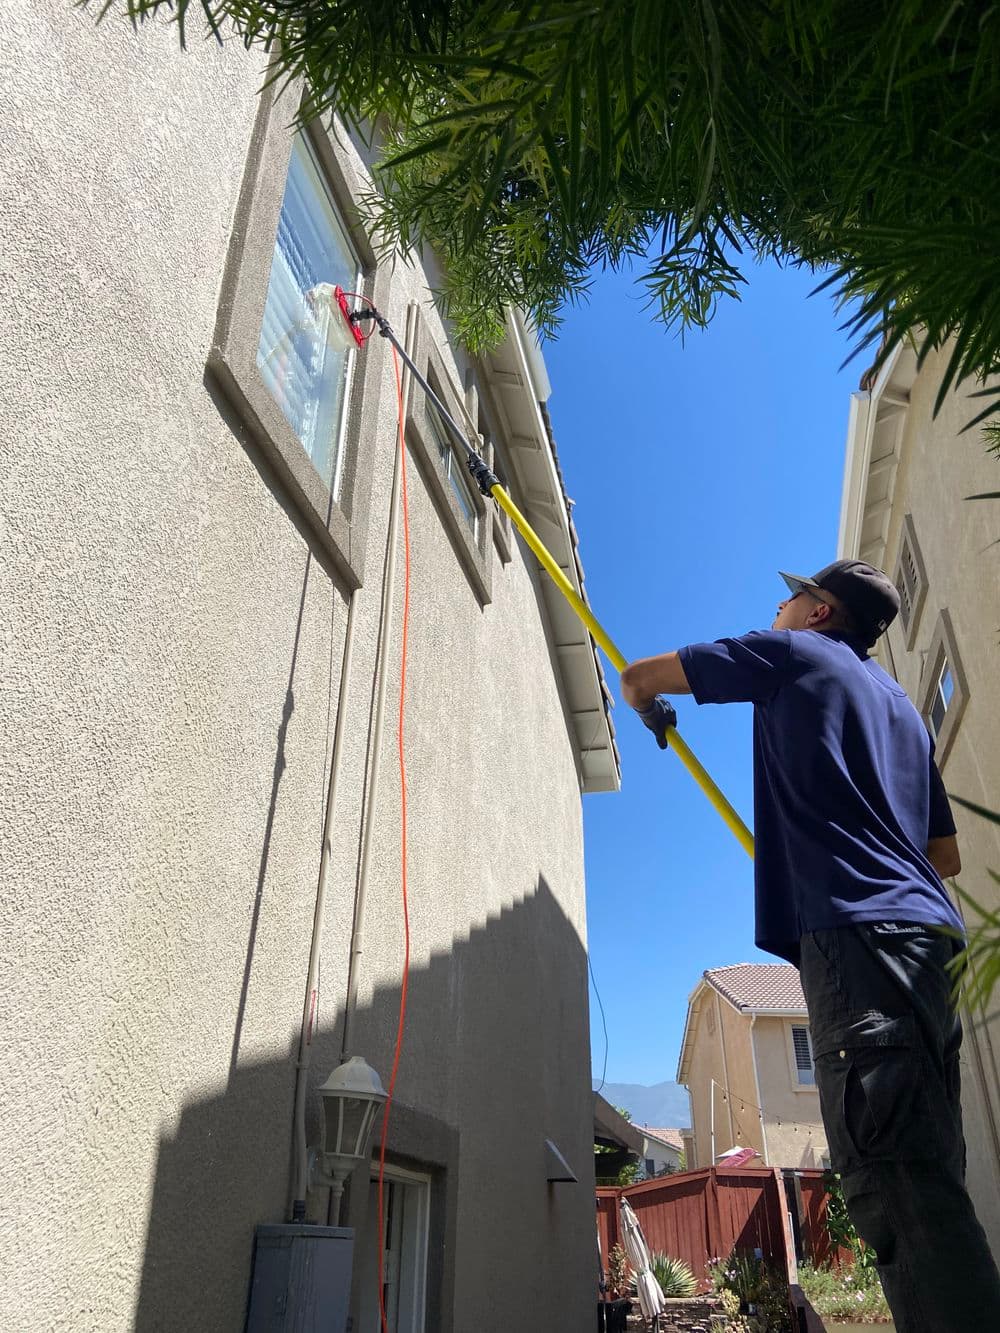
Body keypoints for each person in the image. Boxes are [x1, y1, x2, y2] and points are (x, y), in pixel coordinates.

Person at [620, 559, 1000, 1333]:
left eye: (792, 596)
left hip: (858, 938)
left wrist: (653, 710)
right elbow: (946, 856)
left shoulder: (791, 651)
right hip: (929, 944)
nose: (778, 605)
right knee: (926, 1171)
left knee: (892, 1175)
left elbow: (636, 675)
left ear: (821, 613)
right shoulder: (901, 707)